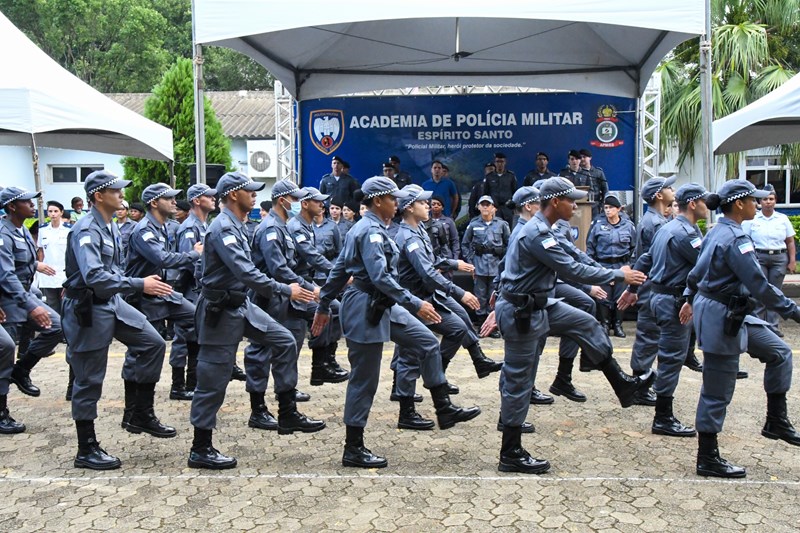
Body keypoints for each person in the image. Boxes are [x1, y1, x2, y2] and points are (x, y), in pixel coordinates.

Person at [311, 177, 481, 469]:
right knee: (365, 379)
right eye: (393, 198)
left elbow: (340, 268)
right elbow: (377, 277)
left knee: (427, 343)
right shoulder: (369, 231)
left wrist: (325, 303)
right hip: (365, 305)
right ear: (379, 201)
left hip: (384, 303)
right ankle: (353, 447)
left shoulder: (377, 229)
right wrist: (415, 303)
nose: (397, 203)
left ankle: (444, 408)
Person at [493, 177, 653, 474]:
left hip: (540, 305)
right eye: (571, 200)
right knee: (520, 379)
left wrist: (612, 271)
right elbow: (572, 269)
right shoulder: (536, 234)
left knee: (587, 322)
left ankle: (622, 385)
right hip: (521, 311)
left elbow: (576, 254)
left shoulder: (549, 229)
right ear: (555, 201)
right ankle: (510, 452)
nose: (576, 206)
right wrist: (618, 275)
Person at [188, 172, 320, 470]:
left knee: (284, 341)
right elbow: (247, 272)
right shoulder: (223, 228)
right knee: (213, 380)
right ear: (234, 194)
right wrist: (287, 289)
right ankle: (201, 447)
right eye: (249, 191)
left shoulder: (239, 225)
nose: (255, 195)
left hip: (240, 303)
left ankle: (287, 413)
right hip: (219, 310)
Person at [684, 180, 800, 478]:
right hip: (721, 317)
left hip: (733, 313)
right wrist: (794, 312)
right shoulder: (735, 239)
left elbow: (695, 274)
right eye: (753, 200)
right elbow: (760, 286)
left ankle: (776, 420)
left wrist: (688, 298)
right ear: (739, 204)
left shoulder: (717, 232)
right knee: (717, 390)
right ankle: (707, 458)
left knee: (779, 352)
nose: (758, 205)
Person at [62, 171, 176, 470]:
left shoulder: (110, 225)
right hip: (88, 306)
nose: (122, 195)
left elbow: (114, 272)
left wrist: (132, 286)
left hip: (112, 301)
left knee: (152, 343)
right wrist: (140, 284)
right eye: (115, 191)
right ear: (99, 195)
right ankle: (85, 448)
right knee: (89, 378)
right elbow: (95, 276)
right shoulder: (86, 229)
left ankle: (140, 413)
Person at [393, 184, 501, 429]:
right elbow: (427, 273)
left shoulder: (418, 228)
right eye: (422, 203)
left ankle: (442, 395)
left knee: (458, 328)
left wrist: (454, 263)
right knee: (410, 355)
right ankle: (407, 412)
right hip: (413, 302)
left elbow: (432, 260)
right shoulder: (407, 236)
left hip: (427, 299)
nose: (428, 206)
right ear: (410, 207)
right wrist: (460, 292)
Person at [619, 183, 708, 438]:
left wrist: (632, 288)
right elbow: (705, 267)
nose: (707, 207)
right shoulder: (684, 233)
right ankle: (663, 417)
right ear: (693, 203)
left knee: (667, 353)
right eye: (704, 201)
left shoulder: (668, 226)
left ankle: (656, 402)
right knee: (671, 359)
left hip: (660, 297)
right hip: (673, 301)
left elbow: (645, 260)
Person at [124, 183, 201, 411]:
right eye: (169, 198)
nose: (175, 202)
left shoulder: (164, 227)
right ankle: (134, 411)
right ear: (155, 203)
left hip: (162, 291)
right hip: (143, 295)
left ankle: (193, 377)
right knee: (143, 349)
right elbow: (163, 259)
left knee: (196, 316)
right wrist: (193, 254)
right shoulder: (144, 230)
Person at [0, 188, 64, 398]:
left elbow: (21, 260)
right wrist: (31, 305)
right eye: (27, 202)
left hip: (23, 294)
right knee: (5, 351)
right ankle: (2, 412)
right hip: (7, 299)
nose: (33, 205)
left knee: (56, 326)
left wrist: (36, 264)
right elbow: (6, 274)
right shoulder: (3, 232)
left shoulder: (23, 229)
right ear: (12, 206)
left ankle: (22, 370)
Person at [287, 185, 349, 385]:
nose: (322, 205)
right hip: (297, 282)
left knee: (335, 309)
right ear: (305, 204)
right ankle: (319, 366)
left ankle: (326, 361)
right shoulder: (297, 227)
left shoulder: (308, 225)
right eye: (317, 201)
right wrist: (337, 273)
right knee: (328, 309)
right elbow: (311, 256)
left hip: (307, 279)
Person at [626, 175, 676, 405]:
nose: (672, 190)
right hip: (652, 286)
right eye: (668, 187)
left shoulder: (656, 220)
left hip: (650, 285)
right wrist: (634, 288)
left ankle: (642, 383)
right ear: (658, 195)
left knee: (651, 336)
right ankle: (639, 385)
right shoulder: (655, 223)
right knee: (648, 336)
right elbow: (649, 259)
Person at [171, 183, 218, 401]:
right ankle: (178, 385)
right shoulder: (190, 227)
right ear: (197, 200)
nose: (214, 198)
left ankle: (192, 381)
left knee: (195, 337)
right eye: (209, 196)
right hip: (190, 288)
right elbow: (187, 262)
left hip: (200, 289)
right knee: (183, 338)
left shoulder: (203, 224)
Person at [742, 184, 796, 337]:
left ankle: (772, 326)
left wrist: (792, 261)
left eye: (771, 199)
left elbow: (790, 241)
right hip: (759, 257)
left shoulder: (782, 219)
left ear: (775, 201)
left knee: (775, 292)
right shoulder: (752, 219)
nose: (768, 202)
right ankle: (759, 326)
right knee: (759, 291)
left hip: (779, 258)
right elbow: (745, 240)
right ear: (760, 202)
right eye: (765, 199)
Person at [586, 194, 636, 338]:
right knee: (603, 296)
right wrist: (596, 268)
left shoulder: (628, 226)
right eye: (606, 208)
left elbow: (634, 248)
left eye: (611, 208)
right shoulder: (597, 225)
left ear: (619, 209)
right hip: (603, 264)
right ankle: (605, 324)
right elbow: (590, 249)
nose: (608, 211)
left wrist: (629, 266)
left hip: (622, 265)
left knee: (620, 296)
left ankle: (618, 324)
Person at [462, 196, 510, 330]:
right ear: (478, 207)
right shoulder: (473, 224)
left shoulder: (502, 225)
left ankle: (493, 326)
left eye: (488, 205)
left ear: (494, 208)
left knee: (494, 295)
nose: (485, 207)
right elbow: (465, 244)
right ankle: (482, 323)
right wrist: (470, 261)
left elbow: (510, 245)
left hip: (496, 265)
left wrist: (504, 261)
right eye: (482, 204)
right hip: (479, 265)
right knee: (480, 296)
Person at [37, 200, 72, 313]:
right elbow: (41, 251)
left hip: (64, 272)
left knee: (65, 306)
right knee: (51, 306)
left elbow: (72, 252)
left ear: (61, 213)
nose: (53, 214)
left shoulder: (68, 229)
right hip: (48, 273)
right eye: (50, 211)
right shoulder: (43, 230)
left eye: (56, 211)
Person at [424, 195, 460, 265]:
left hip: (446, 256)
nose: (436, 206)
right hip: (431, 257)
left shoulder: (449, 221)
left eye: (439, 204)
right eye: (433, 204)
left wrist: (455, 258)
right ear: (430, 207)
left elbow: (455, 240)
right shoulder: (425, 221)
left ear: (442, 207)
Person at [484, 152, 518, 224]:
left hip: (507, 208)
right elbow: (486, 193)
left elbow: (515, 192)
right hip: (494, 208)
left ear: (505, 163)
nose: (500, 164)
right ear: (495, 163)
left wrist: (512, 205)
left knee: (508, 231)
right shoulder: (489, 177)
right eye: (497, 162)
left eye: (502, 162)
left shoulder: (510, 176)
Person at [578, 149, 609, 218]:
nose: (582, 159)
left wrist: (603, 204)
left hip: (596, 204)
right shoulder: (577, 173)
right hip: (583, 204)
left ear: (590, 158)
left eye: (584, 157)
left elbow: (605, 189)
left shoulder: (598, 172)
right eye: (580, 157)